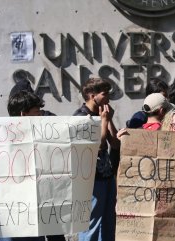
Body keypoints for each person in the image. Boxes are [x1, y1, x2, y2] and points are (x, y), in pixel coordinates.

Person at [73, 78, 120, 241]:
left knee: (108, 221)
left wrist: (109, 120)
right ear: (93, 96)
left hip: (106, 174)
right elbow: (96, 146)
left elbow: (115, 143)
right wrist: (104, 121)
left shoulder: (102, 113)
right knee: (91, 222)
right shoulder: (81, 116)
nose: (108, 97)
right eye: (104, 94)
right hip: (91, 178)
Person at [0, 91, 47, 241]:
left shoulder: (42, 136)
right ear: (23, 115)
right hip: (11, 215)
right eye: (37, 113)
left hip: (34, 216)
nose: (40, 117)